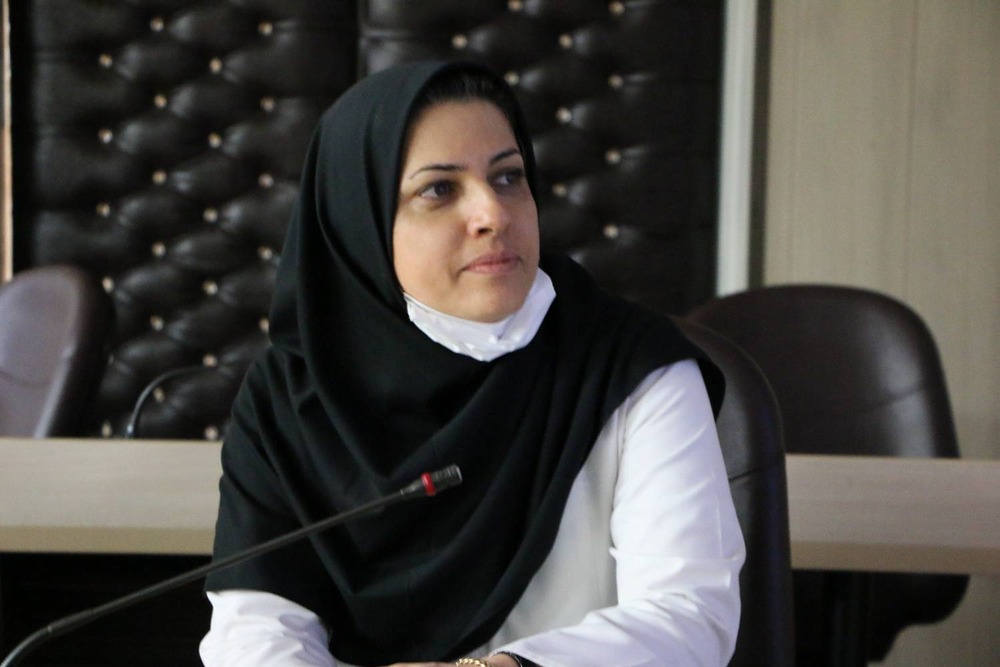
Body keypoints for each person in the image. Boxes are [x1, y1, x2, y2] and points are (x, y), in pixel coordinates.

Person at [199, 61, 744, 667]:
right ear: (361, 223)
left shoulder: (632, 366)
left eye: (508, 177)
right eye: (439, 190)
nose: (493, 214)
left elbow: (687, 617)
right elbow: (254, 635)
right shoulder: (289, 395)